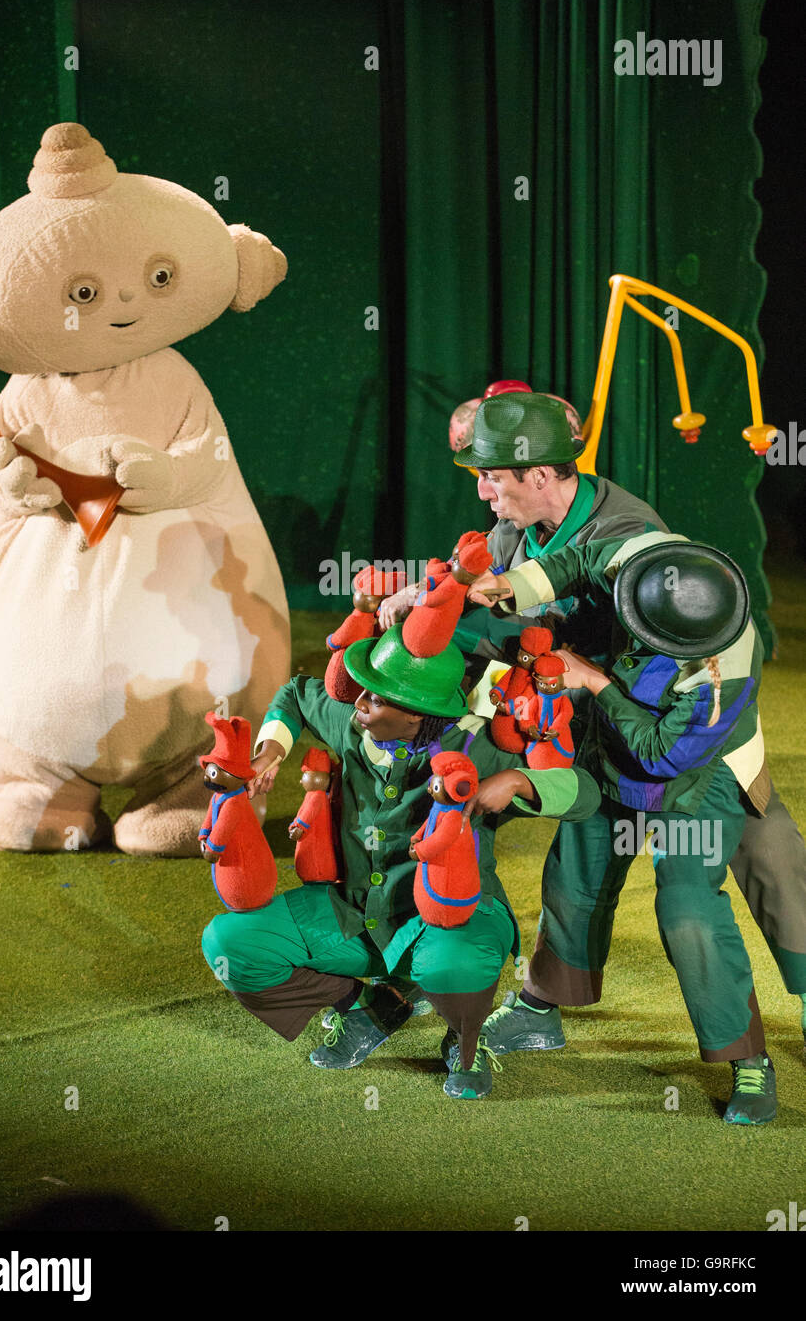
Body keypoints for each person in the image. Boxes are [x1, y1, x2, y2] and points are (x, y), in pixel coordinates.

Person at [380, 388, 806, 1042]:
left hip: (680, 730)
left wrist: (588, 683)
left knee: (768, 860)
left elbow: (671, 733)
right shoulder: (527, 523)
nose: (484, 493)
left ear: (539, 473)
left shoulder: (634, 535)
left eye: (492, 478)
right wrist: (443, 590)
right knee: (580, 862)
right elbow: (540, 570)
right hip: (593, 721)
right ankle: (538, 1006)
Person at [201, 624, 600, 1101]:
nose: (361, 701)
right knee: (232, 944)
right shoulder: (352, 724)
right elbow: (296, 693)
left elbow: (586, 794)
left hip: (448, 921)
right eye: (367, 688)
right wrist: (271, 749)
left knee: (452, 966)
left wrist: (517, 780)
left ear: (417, 716)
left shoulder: (477, 750)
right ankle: (372, 1006)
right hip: (353, 914)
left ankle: (465, 1044)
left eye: (379, 697)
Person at [469, 535, 789, 1124]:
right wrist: (514, 587)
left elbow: (661, 756)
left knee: (688, 909)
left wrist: (594, 682)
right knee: (575, 877)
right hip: (610, 755)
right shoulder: (646, 556)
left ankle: (750, 1058)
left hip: (694, 780)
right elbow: (574, 561)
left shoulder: (725, 674)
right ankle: (541, 1009)